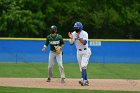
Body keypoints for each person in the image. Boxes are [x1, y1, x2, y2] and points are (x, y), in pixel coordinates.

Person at [68, 22, 91, 86]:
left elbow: (84, 43)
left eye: (77, 28)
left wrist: (79, 37)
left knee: (83, 65)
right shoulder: (73, 33)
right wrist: (71, 38)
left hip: (85, 51)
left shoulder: (85, 33)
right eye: (75, 28)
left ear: (80, 28)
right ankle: (86, 81)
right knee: (81, 67)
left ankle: (83, 80)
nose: (76, 30)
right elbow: (71, 43)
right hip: (78, 52)